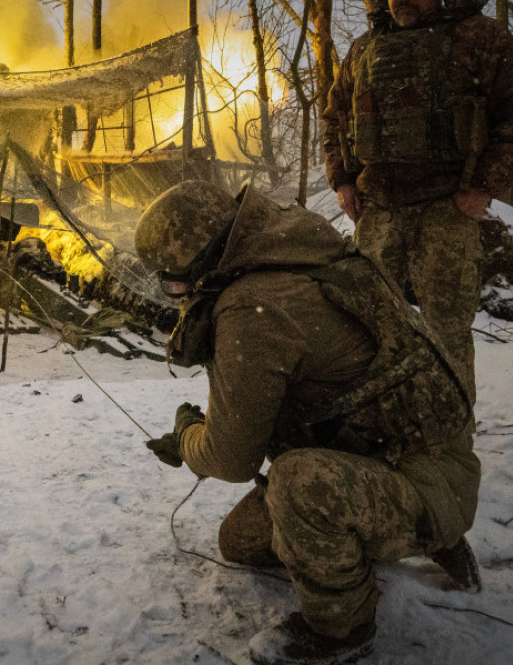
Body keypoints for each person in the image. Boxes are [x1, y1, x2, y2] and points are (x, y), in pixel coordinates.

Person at [136, 180, 481, 665]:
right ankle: (411, 528)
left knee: (297, 484)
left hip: (424, 478)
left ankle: (342, 630)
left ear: (201, 262)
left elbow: (232, 459)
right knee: (239, 541)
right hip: (408, 457)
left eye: (174, 282)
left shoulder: (253, 304)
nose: (176, 296)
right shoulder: (295, 251)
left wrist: (186, 439)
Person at [322, 0, 513, 401]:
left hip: (446, 208)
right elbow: (335, 117)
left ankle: (452, 447)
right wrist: (341, 180)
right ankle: (384, 432)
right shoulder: (363, 50)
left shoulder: (481, 38)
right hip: (378, 211)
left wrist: (483, 187)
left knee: (447, 334)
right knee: (369, 328)